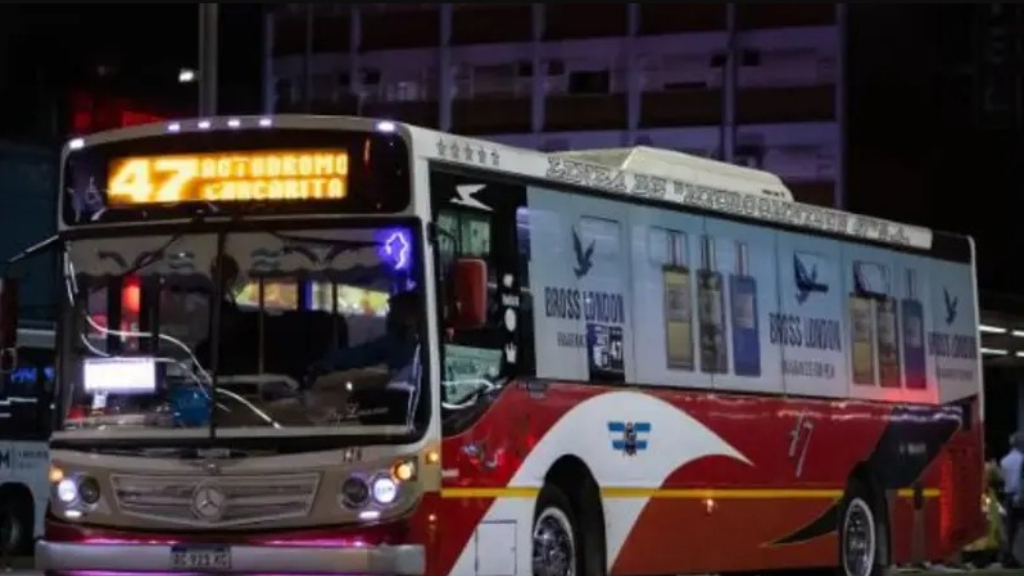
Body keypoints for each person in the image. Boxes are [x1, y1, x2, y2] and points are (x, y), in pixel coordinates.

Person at [308, 289, 422, 379]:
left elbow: (366, 353)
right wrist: (331, 361)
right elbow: (365, 353)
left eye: (394, 310)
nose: (390, 315)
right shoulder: (396, 338)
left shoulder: (415, 339)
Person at [999, 432, 1024, 568]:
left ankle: (1008, 556)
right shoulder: (1022, 459)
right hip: (1021, 495)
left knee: (1010, 528)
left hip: (1008, 495)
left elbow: (1003, 480)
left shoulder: (1004, 460)